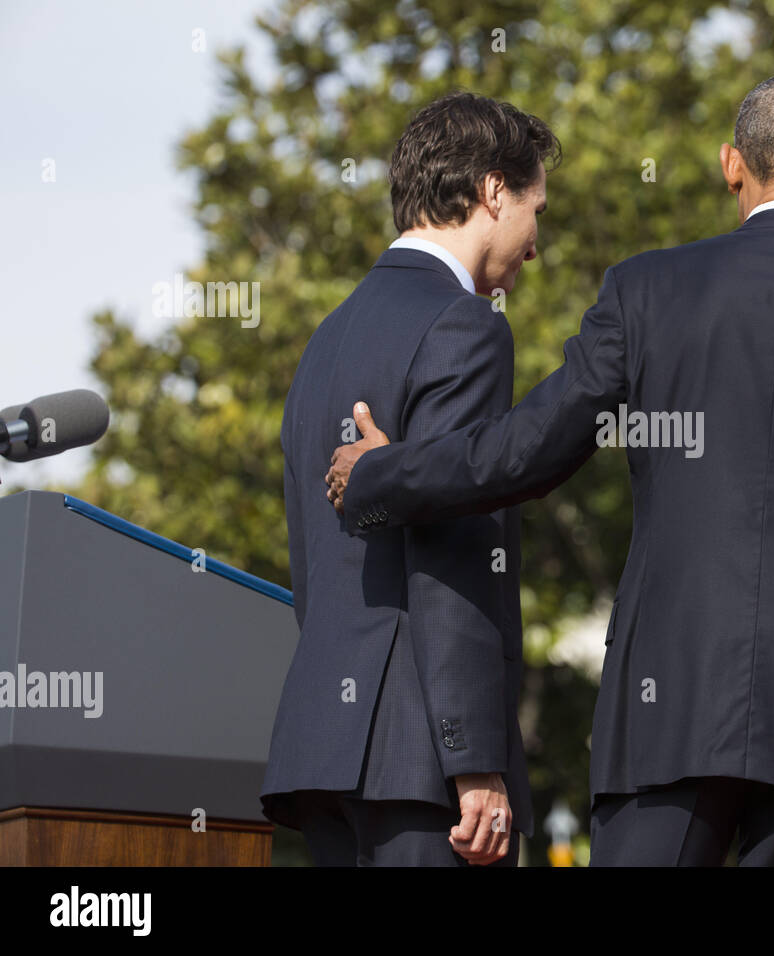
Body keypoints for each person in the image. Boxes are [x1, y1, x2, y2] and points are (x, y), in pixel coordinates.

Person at [326, 73, 774, 867]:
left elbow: (524, 452)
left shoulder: (644, 291)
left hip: (666, 708)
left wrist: (382, 474)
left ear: (730, 166)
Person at [260, 91, 558, 865]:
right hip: (422, 762)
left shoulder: (325, 339)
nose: (535, 247)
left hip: (325, 747)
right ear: (495, 192)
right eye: (537, 211)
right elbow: (457, 551)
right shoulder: (469, 327)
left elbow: (311, 558)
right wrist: (475, 760)